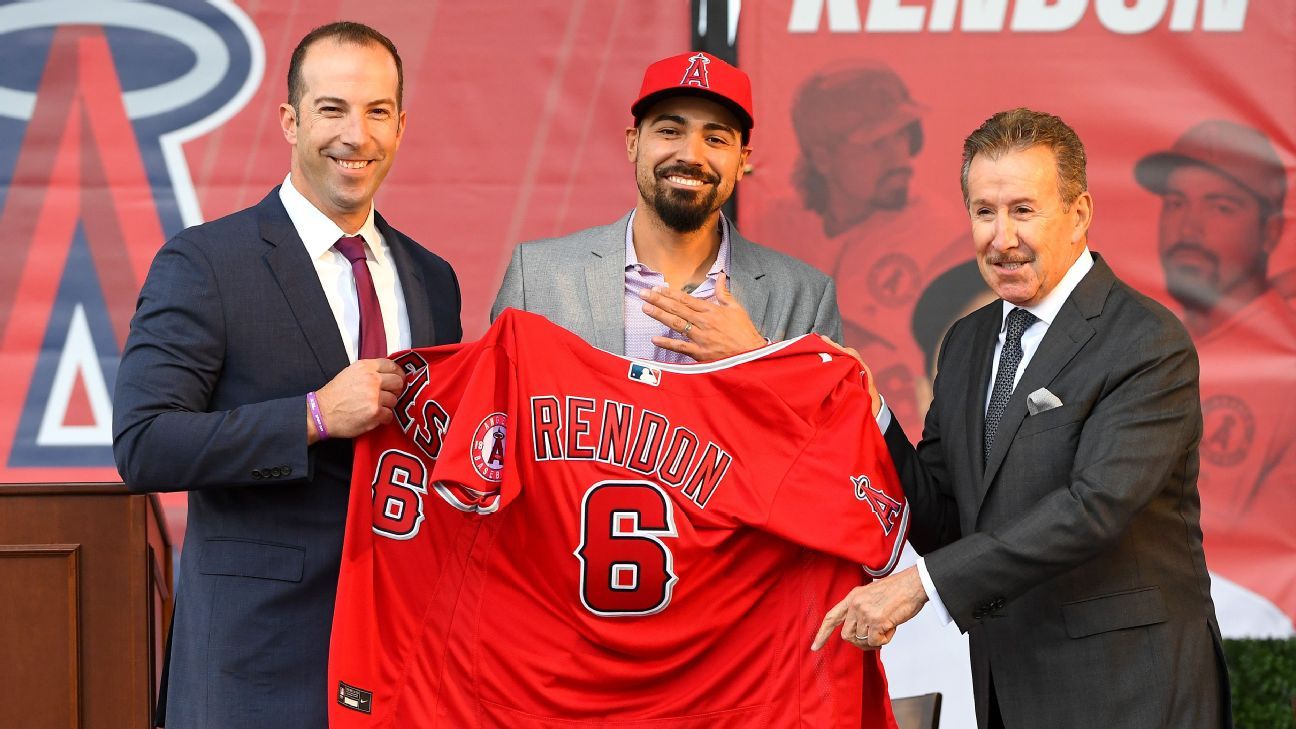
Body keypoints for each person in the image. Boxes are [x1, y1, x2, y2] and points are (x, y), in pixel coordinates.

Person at [814, 108, 1231, 728]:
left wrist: (918, 586)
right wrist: (869, 412)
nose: (1000, 237)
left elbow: (1093, 510)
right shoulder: (966, 342)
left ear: (1080, 213)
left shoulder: (1145, 340)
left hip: (1132, 693)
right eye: (984, 212)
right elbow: (943, 517)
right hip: (1008, 691)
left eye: (1023, 210)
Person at [112, 22, 461, 729]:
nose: (355, 135)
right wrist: (311, 415)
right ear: (290, 120)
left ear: (401, 124)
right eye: (331, 109)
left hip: (404, 662)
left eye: (377, 111)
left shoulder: (433, 277)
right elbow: (144, 443)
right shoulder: (206, 263)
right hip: (255, 667)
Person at [491, 50, 841, 361]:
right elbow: (496, 422)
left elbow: (825, 429)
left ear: (740, 161)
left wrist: (754, 358)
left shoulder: (805, 294)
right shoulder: (536, 276)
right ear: (633, 143)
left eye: (715, 139)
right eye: (670, 131)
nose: (690, 155)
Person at [1135, 120, 1296, 629]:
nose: (1189, 229)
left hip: (1253, 655)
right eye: (1177, 203)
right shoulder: (1156, 347)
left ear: (1270, 231)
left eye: (1221, 207)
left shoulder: (1282, 362)